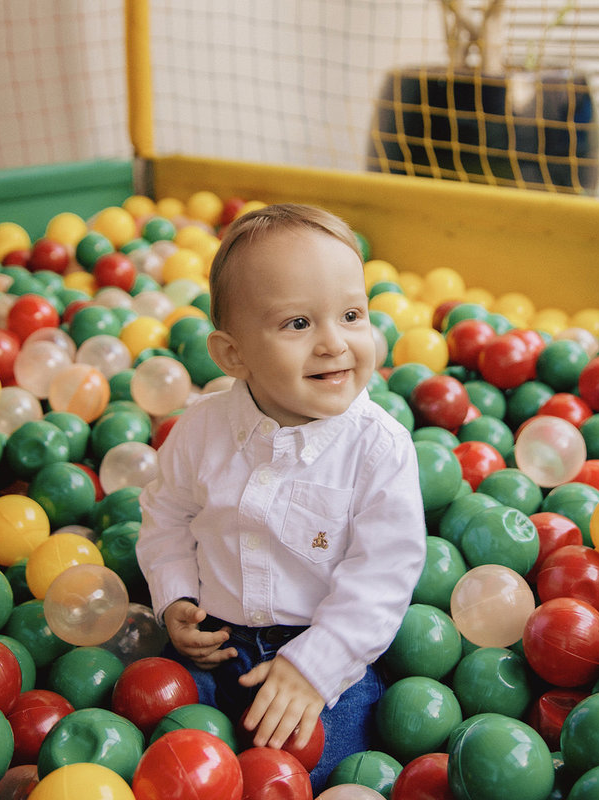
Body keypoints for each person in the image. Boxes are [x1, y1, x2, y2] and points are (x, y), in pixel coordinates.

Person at [136, 203, 427, 788]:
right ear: (232, 354)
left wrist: (314, 668)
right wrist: (174, 600)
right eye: (298, 324)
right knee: (159, 747)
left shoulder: (379, 448)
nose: (333, 344)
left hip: (323, 658)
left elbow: (384, 575)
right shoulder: (201, 429)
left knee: (319, 775)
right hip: (213, 646)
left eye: (351, 315)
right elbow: (166, 516)